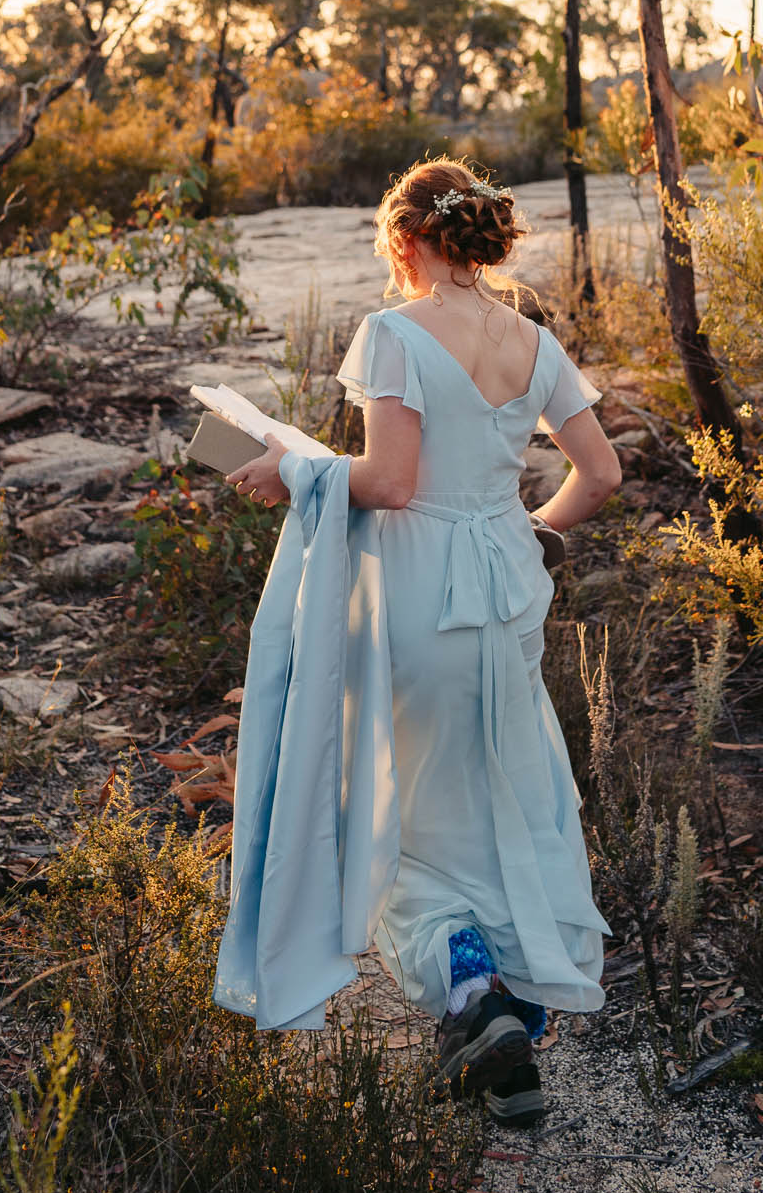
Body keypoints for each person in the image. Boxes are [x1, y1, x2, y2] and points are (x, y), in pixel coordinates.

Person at [225, 158, 620, 1125]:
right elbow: (600, 473)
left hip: (415, 590)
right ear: (475, 234)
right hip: (506, 588)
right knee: (498, 786)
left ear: (405, 239)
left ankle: (472, 994)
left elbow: (392, 482)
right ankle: (509, 1019)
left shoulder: (394, 333)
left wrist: (291, 470)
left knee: (399, 797)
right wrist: (531, 531)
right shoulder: (532, 340)